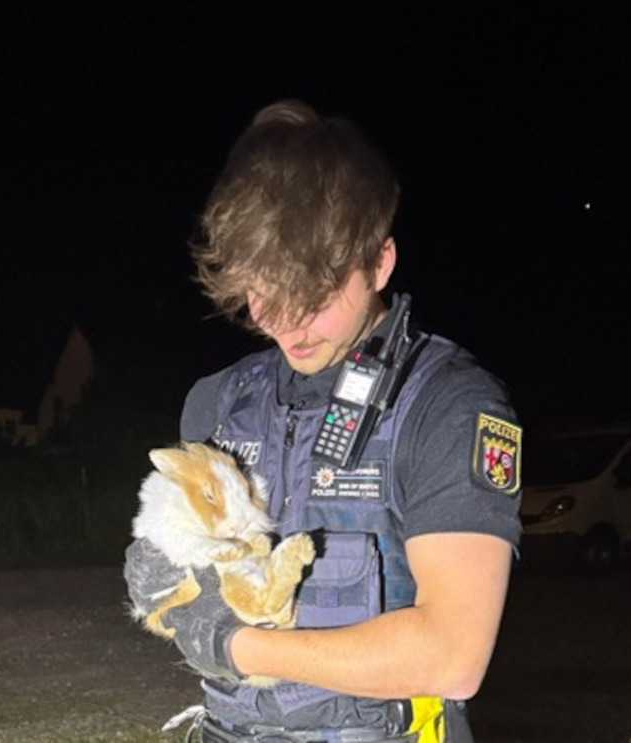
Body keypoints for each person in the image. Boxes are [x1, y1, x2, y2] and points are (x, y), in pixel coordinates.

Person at [125, 99, 522, 742]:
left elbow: (453, 654)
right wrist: (159, 574)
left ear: (380, 261)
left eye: (315, 294)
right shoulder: (217, 402)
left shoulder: (449, 405)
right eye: (264, 292)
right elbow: (190, 588)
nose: (287, 322)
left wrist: (237, 646)